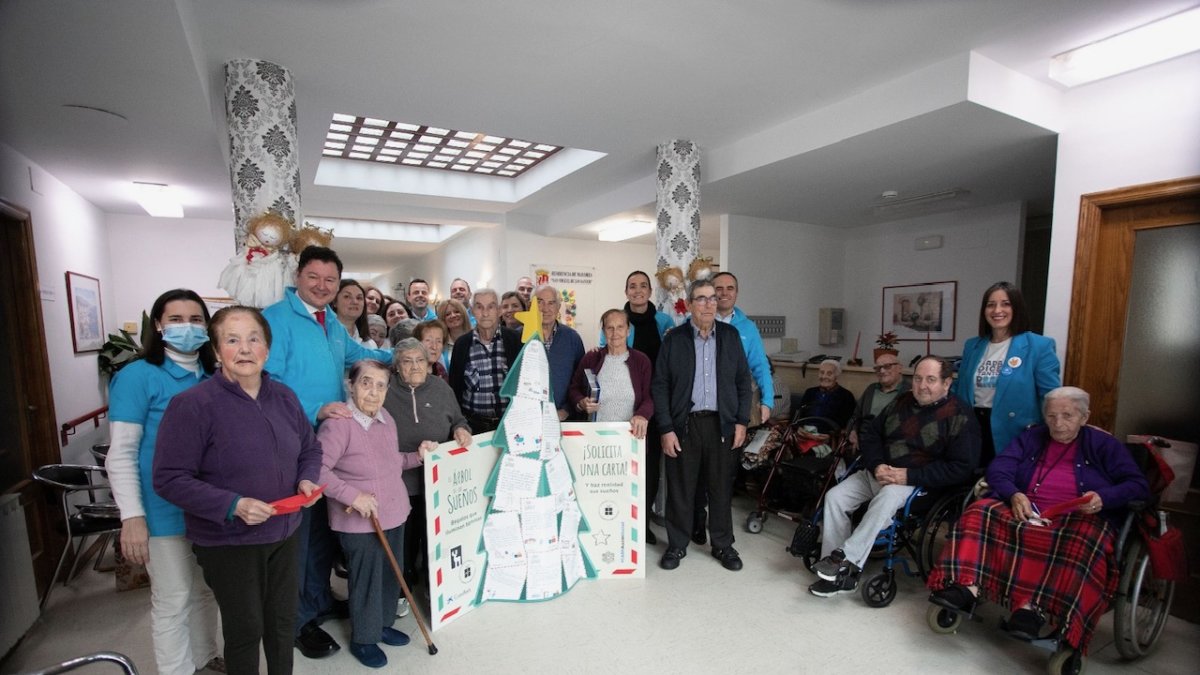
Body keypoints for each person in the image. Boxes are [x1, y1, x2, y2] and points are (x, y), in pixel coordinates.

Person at [154, 306, 323, 675]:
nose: (244, 349)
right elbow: (168, 478)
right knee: (245, 629)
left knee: (281, 623)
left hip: (285, 531)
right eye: (232, 340)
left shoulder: (284, 397)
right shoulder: (192, 405)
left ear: (267, 348)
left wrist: (307, 478)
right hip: (229, 540)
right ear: (216, 351)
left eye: (253, 339)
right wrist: (234, 504)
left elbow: (310, 448)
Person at [928, 387, 1149, 652]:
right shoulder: (1032, 437)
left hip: (1076, 515)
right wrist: (1014, 494)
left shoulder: (1104, 445)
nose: (1058, 423)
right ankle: (966, 588)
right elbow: (999, 468)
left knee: (1081, 541)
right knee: (980, 512)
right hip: (1027, 507)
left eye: (1067, 415)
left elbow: (1137, 485)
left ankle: (1031, 609)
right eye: (1051, 416)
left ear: (1084, 416)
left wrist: (1104, 497)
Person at [260, 246, 392, 660]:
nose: (322, 286)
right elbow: (264, 382)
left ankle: (316, 601)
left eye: (330, 280)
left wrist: (406, 358)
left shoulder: (330, 320)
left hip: (330, 445)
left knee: (321, 533)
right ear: (298, 276)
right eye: (314, 277)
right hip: (290, 445)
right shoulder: (275, 319)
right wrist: (312, 409)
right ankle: (297, 620)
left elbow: (358, 356)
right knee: (296, 539)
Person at [106, 289, 222, 675]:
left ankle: (206, 657)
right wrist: (132, 517)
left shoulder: (214, 375)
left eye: (195, 319)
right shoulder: (137, 377)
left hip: (209, 507)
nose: (186, 327)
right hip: (160, 509)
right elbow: (121, 453)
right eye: (175, 319)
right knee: (173, 599)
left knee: (208, 591)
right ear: (158, 326)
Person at [810, 355, 979, 597]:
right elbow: (871, 435)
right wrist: (877, 465)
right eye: (918, 379)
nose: (922, 386)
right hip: (879, 472)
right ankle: (831, 564)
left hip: (918, 484)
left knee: (887, 497)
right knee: (836, 497)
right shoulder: (901, 401)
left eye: (931, 380)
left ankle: (844, 561)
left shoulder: (960, 415)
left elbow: (961, 467)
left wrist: (909, 475)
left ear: (947, 383)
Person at [318, 359, 431, 668]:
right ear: (351, 385)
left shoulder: (386, 419)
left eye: (381, 385)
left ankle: (382, 625)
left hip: (393, 512)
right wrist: (352, 495)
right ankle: (364, 638)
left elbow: (390, 462)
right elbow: (316, 471)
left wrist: (417, 457)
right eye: (366, 383)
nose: (373, 391)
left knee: (390, 573)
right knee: (367, 579)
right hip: (359, 520)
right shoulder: (338, 423)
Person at [652, 279, 752, 572]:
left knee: (720, 488)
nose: (709, 304)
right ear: (690, 303)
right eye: (701, 299)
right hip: (685, 426)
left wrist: (742, 421)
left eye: (712, 299)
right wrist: (667, 428)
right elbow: (661, 386)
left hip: (722, 425)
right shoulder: (675, 339)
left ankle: (723, 545)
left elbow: (743, 381)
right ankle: (677, 545)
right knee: (681, 488)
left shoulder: (731, 337)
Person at [383, 339, 473, 614]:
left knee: (435, 538)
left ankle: (437, 589)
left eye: (420, 360)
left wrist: (461, 430)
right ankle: (401, 591)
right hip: (401, 481)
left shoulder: (441, 388)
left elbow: (458, 419)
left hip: (438, 480)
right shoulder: (385, 390)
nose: (414, 366)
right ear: (397, 366)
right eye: (407, 361)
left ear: (429, 363)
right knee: (405, 543)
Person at [692, 271, 775, 544]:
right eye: (719, 288)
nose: (724, 293)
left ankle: (720, 534)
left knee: (723, 475)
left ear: (736, 293)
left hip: (728, 413)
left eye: (730, 288)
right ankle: (696, 519)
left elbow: (759, 366)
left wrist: (767, 400)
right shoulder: (694, 320)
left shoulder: (746, 328)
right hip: (697, 413)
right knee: (697, 474)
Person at [569, 309, 656, 541]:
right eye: (609, 327)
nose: (615, 332)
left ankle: (628, 542)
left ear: (628, 330)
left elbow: (649, 397)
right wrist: (581, 403)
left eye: (620, 327)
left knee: (628, 495)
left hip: (630, 442)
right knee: (600, 494)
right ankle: (600, 539)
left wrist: (642, 415)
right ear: (603, 331)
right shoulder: (592, 358)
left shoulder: (641, 361)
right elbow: (574, 389)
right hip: (597, 444)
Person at [954, 281, 1060, 465]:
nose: (997, 310)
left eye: (1005, 303)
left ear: (1016, 308)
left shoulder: (1039, 346)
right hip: (972, 427)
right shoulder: (972, 346)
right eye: (991, 304)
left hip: (1014, 431)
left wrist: (1058, 426)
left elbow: (1051, 395)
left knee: (1004, 484)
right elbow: (960, 388)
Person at [449, 289, 522, 432]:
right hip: (473, 426)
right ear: (472, 310)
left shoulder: (516, 340)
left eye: (491, 306)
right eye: (479, 307)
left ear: (499, 310)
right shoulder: (462, 345)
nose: (485, 313)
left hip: (511, 425)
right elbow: (454, 389)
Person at [534, 284, 585, 421]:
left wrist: (567, 409)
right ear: (531, 305)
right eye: (540, 302)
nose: (545, 308)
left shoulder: (572, 338)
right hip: (528, 419)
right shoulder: (519, 337)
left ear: (558, 307)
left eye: (551, 303)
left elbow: (581, 380)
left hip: (563, 419)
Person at [846, 350, 909, 449]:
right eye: (878, 368)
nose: (882, 371)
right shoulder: (871, 389)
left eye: (887, 366)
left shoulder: (909, 392)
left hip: (891, 443)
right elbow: (856, 416)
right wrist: (853, 431)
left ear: (900, 368)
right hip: (863, 441)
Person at [794, 359, 857, 429]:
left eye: (829, 374)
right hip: (804, 432)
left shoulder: (846, 396)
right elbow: (798, 416)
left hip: (829, 435)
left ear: (836, 376)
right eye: (822, 372)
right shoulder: (810, 392)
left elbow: (846, 424)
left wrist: (829, 434)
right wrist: (799, 429)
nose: (824, 377)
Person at [437, 298, 471, 369]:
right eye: (447, 314)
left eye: (456, 312)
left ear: (464, 314)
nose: (453, 315)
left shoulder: (475, 338)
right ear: (443, 320)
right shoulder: (440, 345)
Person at [333, 280, 370, 344]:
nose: (355, 302)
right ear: (335, 302)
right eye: (347, 296)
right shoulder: (322, 335)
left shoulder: (369, 344)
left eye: (359, 298)